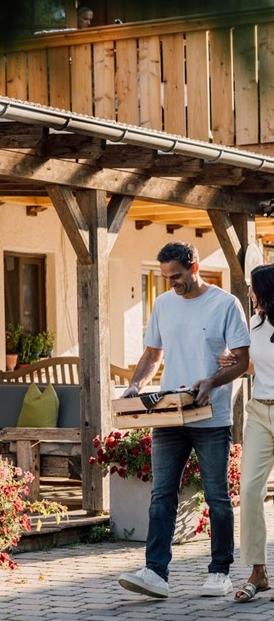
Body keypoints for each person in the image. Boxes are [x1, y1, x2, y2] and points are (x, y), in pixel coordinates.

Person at [117, 241, 250, 599]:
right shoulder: (163, 304)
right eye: (166, 277)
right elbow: (152, 353)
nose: (171, 283)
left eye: (177, 276)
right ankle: (155, 572)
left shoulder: (225, 304)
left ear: (194, 265)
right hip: (169, 415)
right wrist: (135, 385)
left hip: (212, 416)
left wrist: (211, 381)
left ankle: (220, 572)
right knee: (161, 495)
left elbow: (241, 361)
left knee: (218, 498)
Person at [227, 264, 274, 602]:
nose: (248, 292)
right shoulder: (255, 323)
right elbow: (257, 364)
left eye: (252, 287)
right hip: (259, 410)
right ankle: (258, 572)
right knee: (250, 489)